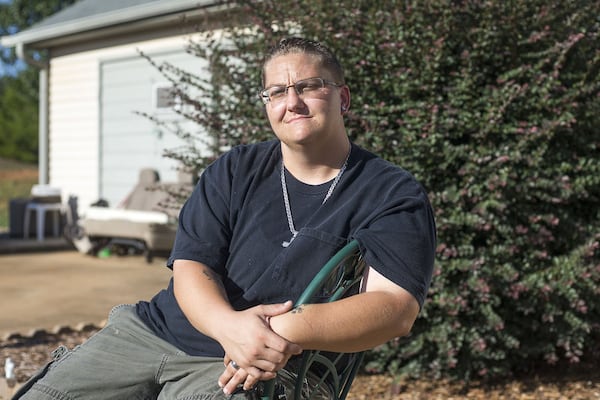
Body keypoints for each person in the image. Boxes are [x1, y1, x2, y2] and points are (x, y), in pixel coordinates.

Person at [15, 37, 436, 400]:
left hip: (265, 362)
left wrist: (275, 331)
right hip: (151, 332)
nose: (292, 102)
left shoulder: (389, 191)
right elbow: (191, 265)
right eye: (277, 92)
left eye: (309, 86)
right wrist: (230, 326)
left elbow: (394, 307)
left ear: (342, 97)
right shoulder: (235, 169)